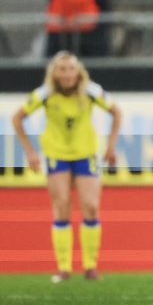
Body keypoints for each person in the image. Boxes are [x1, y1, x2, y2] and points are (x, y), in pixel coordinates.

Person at [11, 51, 121, 281]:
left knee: (91, 206)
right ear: (55, 73)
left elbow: (116, 111)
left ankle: (90, 266)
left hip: (85, 153)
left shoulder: (90, 91)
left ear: (78, 71)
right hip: (56, 154)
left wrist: (111, 146)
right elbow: (17, 118)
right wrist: (30, 152)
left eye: (71, 68)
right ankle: (64, 267)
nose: (67, 74)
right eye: (62, 69)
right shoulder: (44, 93)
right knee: (61, 206)